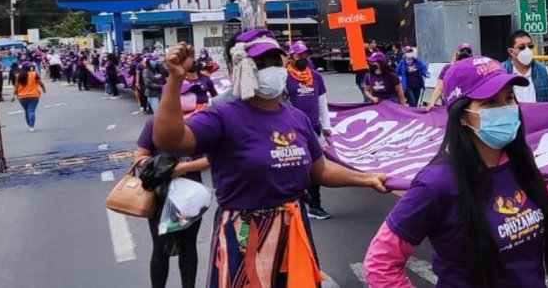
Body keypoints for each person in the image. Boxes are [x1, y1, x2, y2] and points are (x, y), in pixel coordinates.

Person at [154, 30, 387, 288]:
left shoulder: (296, 118)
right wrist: (174, 80)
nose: (272, 70)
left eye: (277, 63)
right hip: (244, 236)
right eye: (261, 64)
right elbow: (169, 140)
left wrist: (367, 178)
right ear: (241, 68)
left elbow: (320, 170)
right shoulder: (223, 116)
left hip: (294, 232)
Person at [363, 56, 548, 288]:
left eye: (509, 98)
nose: (505, 109)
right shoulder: (436, 184)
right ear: (462, 115)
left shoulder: (518, 160)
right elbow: (380, 262)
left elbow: (522, 212)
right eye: (491, 103)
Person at [134, 116, 210, 288]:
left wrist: (184, 168)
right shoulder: (155, 124)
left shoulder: (200, 125)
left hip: (191, 198)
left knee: (189, 245)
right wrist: (158, 165)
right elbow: (139, 156)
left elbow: (210, 159)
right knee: (161, 248)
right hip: (161, 197)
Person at [285, 40, 333, 220]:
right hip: (291, 128)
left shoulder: (316, 77)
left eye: (305, 54)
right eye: (299, 55)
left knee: (315, 166)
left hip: (314, 128)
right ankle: (294, 202)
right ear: (291, 57)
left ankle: (315, 205)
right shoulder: (284, 77)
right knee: (295, 166)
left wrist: (326, 126)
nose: (303, 58)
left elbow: (322, 103)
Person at [502, 31, 548, 103]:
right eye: (521, 47)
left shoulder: (544, 71)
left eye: (530, 46)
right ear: (511, 51)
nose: (527, 50)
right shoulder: (501, 72)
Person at [423, 43, 472, 111]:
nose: (465, 53)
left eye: (467, 51)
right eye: (462, 51)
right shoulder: (448, 68)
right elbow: (439, 88)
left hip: (468, 104)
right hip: (453, 104)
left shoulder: (473, 68)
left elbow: (439, 88)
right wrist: (432, 104)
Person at [13, 61, 46, 132]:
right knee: (31, 110)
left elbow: (16, 86)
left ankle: (29, 125)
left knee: (26, 111)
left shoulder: (18, 75)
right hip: (33, 95)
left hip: (22, 97)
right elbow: (40, 83)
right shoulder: (34, 74)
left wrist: (14, 95)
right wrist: (44, 89)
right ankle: (32, 126)